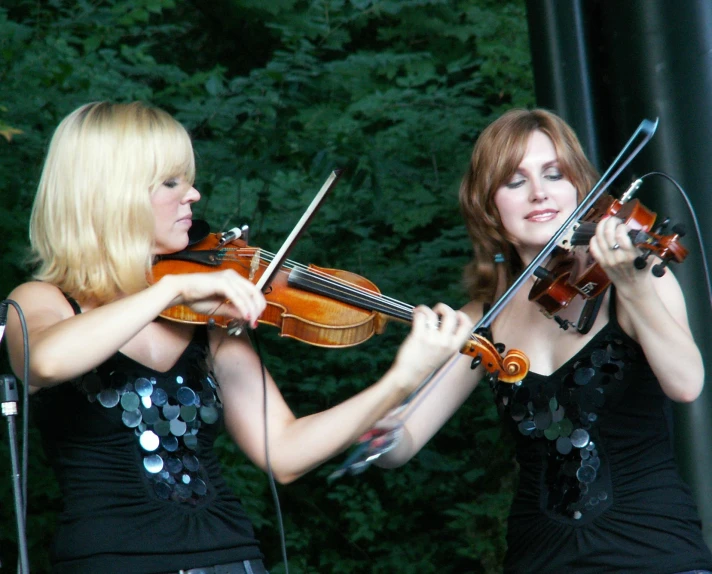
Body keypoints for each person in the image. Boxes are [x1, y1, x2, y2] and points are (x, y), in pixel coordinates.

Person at [4, 101, 474, 574]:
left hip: (231, 558)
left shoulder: (204, 321)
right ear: (109, 194)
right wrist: (173, 286)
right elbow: (44, 361)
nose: (194, 195)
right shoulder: (42, 302)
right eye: (171, 183)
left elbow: (286, 452)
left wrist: (400, 379)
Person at [376, 108, 712, 573]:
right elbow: (404, 442)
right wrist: (377, 419)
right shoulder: (481, 320)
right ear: (488, 204)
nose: (539, 193)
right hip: (538, 559)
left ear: (579, 186)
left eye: (554, 174)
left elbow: (687, 382)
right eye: (515, 182)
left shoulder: (635, 279)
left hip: (654, 553)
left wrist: (633, 287)